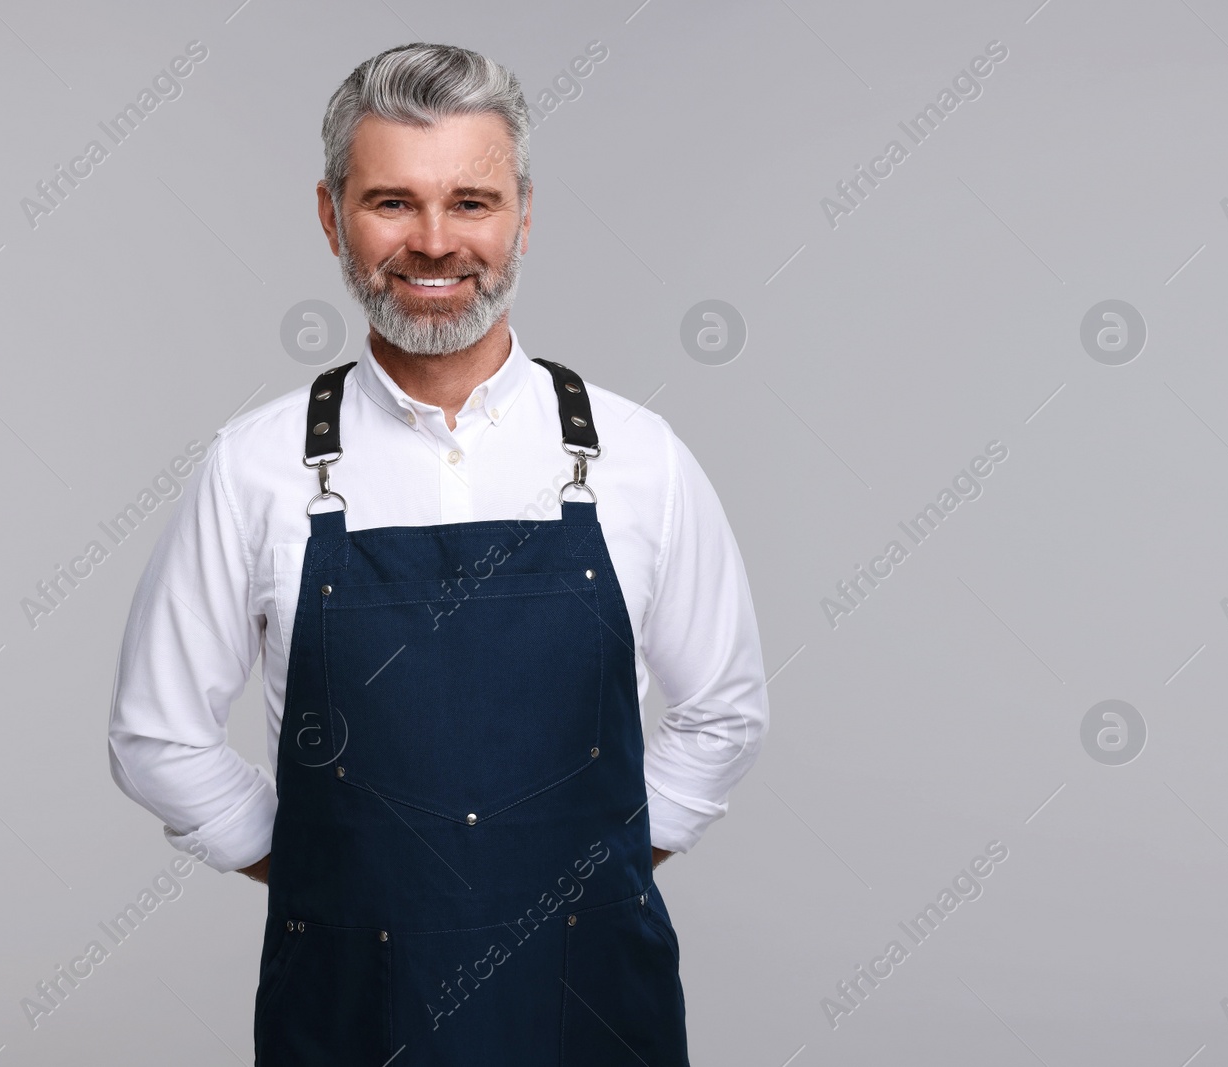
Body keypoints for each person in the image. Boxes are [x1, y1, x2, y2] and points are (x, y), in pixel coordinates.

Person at [107, 41, 768, 1065]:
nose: (432, 242)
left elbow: (724, 709)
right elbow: (157, 738)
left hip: (589, 996)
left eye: (470, 201)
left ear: (522, 217)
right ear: (332, 216)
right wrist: (330, 871)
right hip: (351, 999)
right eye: (391, 203)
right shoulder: (256, 466)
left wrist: (592, 873)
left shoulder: (639, 456)